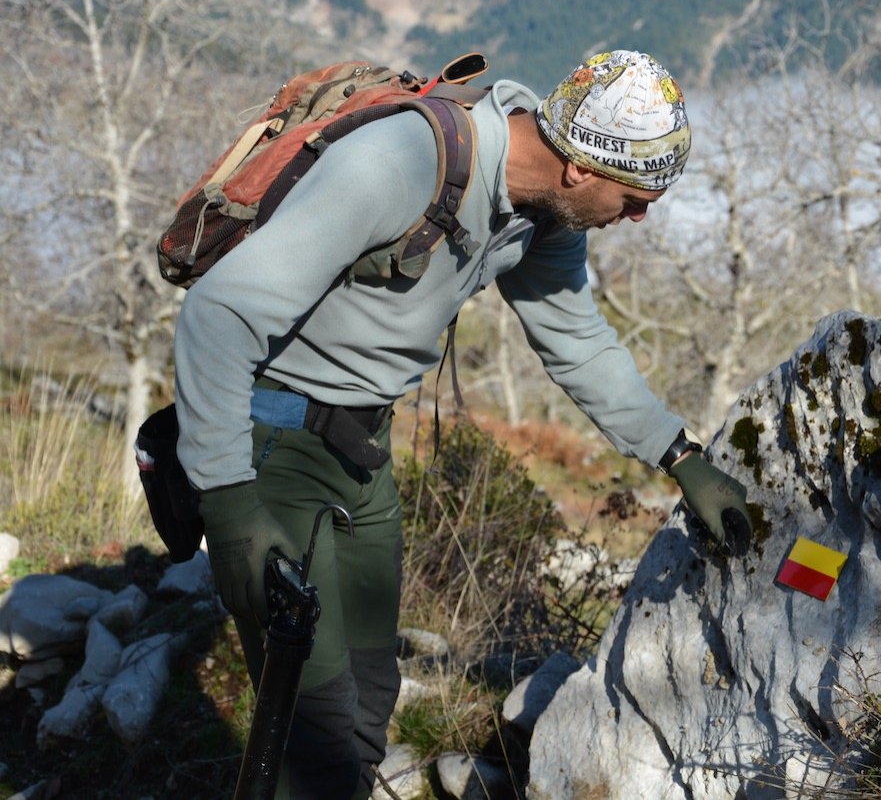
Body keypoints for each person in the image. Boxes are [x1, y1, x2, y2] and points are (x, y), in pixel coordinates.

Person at [173, 49, 749, 798]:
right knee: (310, 727)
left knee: (366, 707)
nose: (638, 217)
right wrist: (229, 500)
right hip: (269, 442)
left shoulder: (540, 218)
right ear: (579, 168)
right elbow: (218, 312)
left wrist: (680, 454)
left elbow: (578, 342)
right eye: (636, 197)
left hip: (361, 453)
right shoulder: (401, 163)